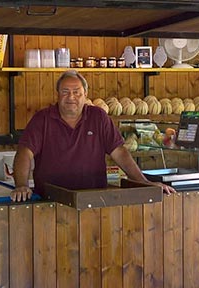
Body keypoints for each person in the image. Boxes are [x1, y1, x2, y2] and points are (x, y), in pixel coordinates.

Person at [10, 70, 175, 202]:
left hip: (94, 200)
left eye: (77, 92)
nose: (71, 97)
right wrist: (21, 185)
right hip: (51, 201)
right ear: (57, 94)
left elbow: (120, 153)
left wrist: (144, 183)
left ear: (85, 94)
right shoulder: (42, 119)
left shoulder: (98, 116)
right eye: (65, 92)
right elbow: (24, 153)